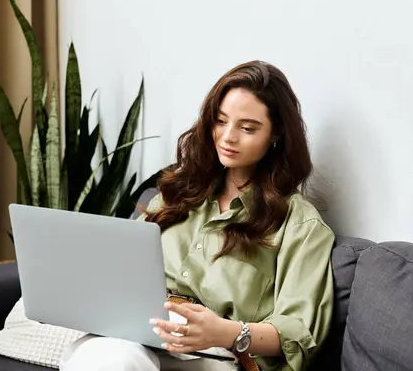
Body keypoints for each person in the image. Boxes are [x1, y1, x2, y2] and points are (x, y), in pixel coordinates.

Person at [60, 60, 335, 371]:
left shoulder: (299, 224)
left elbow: (299, 333)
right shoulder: (178, 192)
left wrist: (228, 332)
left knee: (116, 361)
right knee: (109, 356)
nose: (228, 137)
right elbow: (124, 267)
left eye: (247, 128)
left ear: (277, 134)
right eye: (220, 121)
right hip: (138, 333)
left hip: (214, 355)